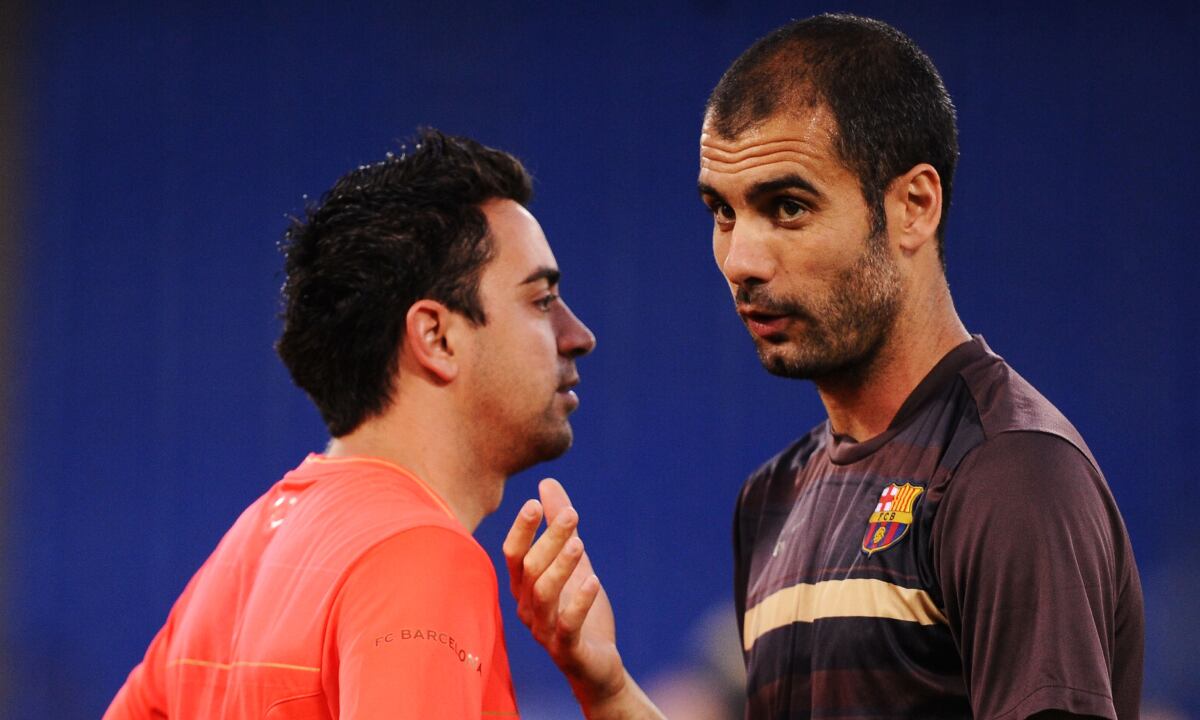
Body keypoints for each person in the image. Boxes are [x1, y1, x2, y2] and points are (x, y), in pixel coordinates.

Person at [505, 13, 1143, 720]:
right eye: (723, 212)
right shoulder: (772, 497)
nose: (741, 260)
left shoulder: (1009, 476)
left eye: (787, 207)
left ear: (914, 207)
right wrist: (608, 689)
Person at [104, 129, 598, 718]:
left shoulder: (241, 554)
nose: (578, 336)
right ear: (437, 337)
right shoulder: (419, 557)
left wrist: (611, 693)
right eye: (541, 301)